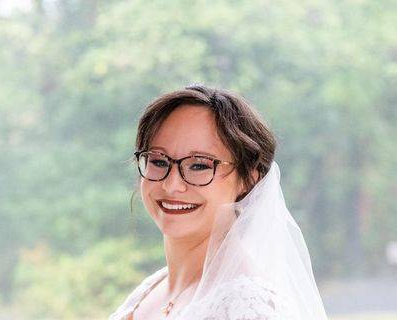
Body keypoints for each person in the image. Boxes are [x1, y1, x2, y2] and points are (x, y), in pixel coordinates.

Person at [109, 85, 328, 320]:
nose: (172, 185)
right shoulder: (150, 289)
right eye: (158, 161)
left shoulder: (247, 307)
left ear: (248, 179)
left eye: (200, 165)